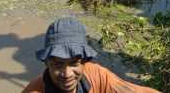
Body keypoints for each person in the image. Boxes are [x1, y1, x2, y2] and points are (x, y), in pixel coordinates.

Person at [23, 17, 160, 93]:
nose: (67, 74)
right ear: (47, 63)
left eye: (74, 63)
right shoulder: (35, 90)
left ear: (84, 61)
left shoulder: (97, 75)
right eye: (58, 64)